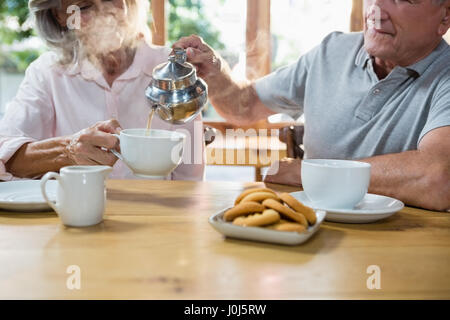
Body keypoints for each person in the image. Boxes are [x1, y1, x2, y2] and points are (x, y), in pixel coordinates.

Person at [173, 0, 450, 211]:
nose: (377, 10)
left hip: (405, 247)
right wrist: (215, 70)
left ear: (445, 16)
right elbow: (245, 106)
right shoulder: (332, 51)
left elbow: (438, 178)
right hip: (312, 232)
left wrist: (307, 173)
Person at [0, 0, 205, 181]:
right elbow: (5, 156)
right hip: (75, 218)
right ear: (60, 16)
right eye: (85, 6)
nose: (107, 12)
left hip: (158, 218)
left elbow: (191, 180)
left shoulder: (171, 72)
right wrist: (67, 151)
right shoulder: (47, 72)